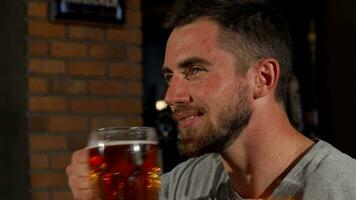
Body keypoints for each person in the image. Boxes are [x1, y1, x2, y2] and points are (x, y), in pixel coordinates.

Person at [66, 0, 356, 199]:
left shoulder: (343, 187)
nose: (172, 96)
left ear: (263, 78)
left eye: (195, 70)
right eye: (170, 76)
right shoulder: (181, 187)